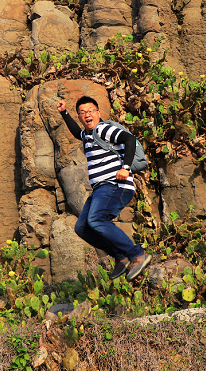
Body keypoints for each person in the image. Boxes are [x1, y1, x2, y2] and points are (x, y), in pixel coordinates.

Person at [56, 95, 152, 281]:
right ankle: (120, 257)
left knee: (96, 219)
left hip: (115, 184)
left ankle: (136, 255)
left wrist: (125, 168)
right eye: (82, 113)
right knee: (82, 227)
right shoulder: (88, 134)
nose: (87, 115)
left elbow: (129, 139)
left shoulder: (104, 128)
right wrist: (64, 113)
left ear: (98, 113)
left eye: (91, 111)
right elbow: (77, 133)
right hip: (100, 188)